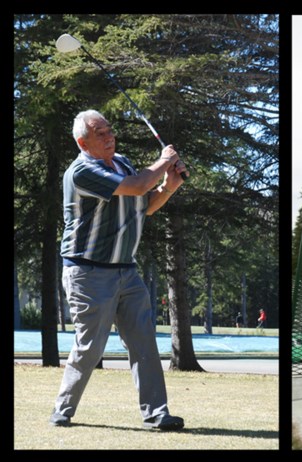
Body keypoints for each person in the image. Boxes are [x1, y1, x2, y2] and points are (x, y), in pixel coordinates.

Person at [50, 109, 189, 430]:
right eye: (101, 133)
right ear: (82, 141)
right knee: (90, 346)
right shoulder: (82, 171)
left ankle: (157, 414)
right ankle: (63, 409)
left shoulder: (123, 163)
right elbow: (139, 186)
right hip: (87, 272)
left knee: (144, 342)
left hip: (127, 271)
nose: (110, 136)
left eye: (110, 130)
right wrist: (164, 160)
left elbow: (145, 204)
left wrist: (170, 185)